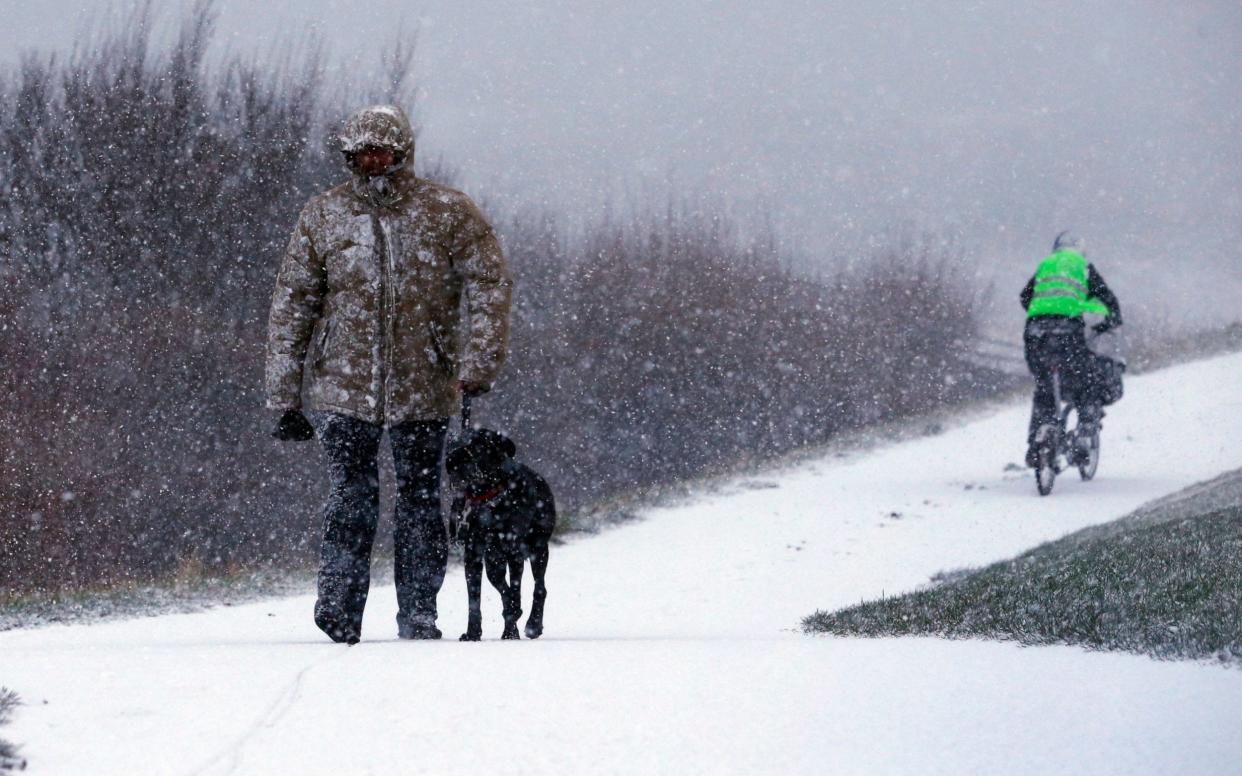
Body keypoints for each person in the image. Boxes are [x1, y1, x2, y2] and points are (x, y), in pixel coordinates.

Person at [265, 105, 512, 644]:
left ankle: (419, 612)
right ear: (348, 156)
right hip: (340, 386)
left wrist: (479, 360)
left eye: (381, 150)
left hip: (425, 384)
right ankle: (338, 606)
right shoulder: (323, 216)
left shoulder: (448, 213)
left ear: (403, 152)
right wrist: (284, 397)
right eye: (361, 152)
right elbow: (293, 304)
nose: (371, 160)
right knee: (351, 495)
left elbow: (490, 283)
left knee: (420, 500)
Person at [1020, 231, 1121, 467]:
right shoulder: (1084, 267)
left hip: (1035, 333)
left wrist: (1043, 312)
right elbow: (1110, 302)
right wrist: (1107, 322)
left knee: (1044, 387)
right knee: (1087, 380)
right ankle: (1086, 433)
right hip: (1067, 331)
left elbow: (1025, 297)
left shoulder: (1045, 265)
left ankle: (1036, 445)